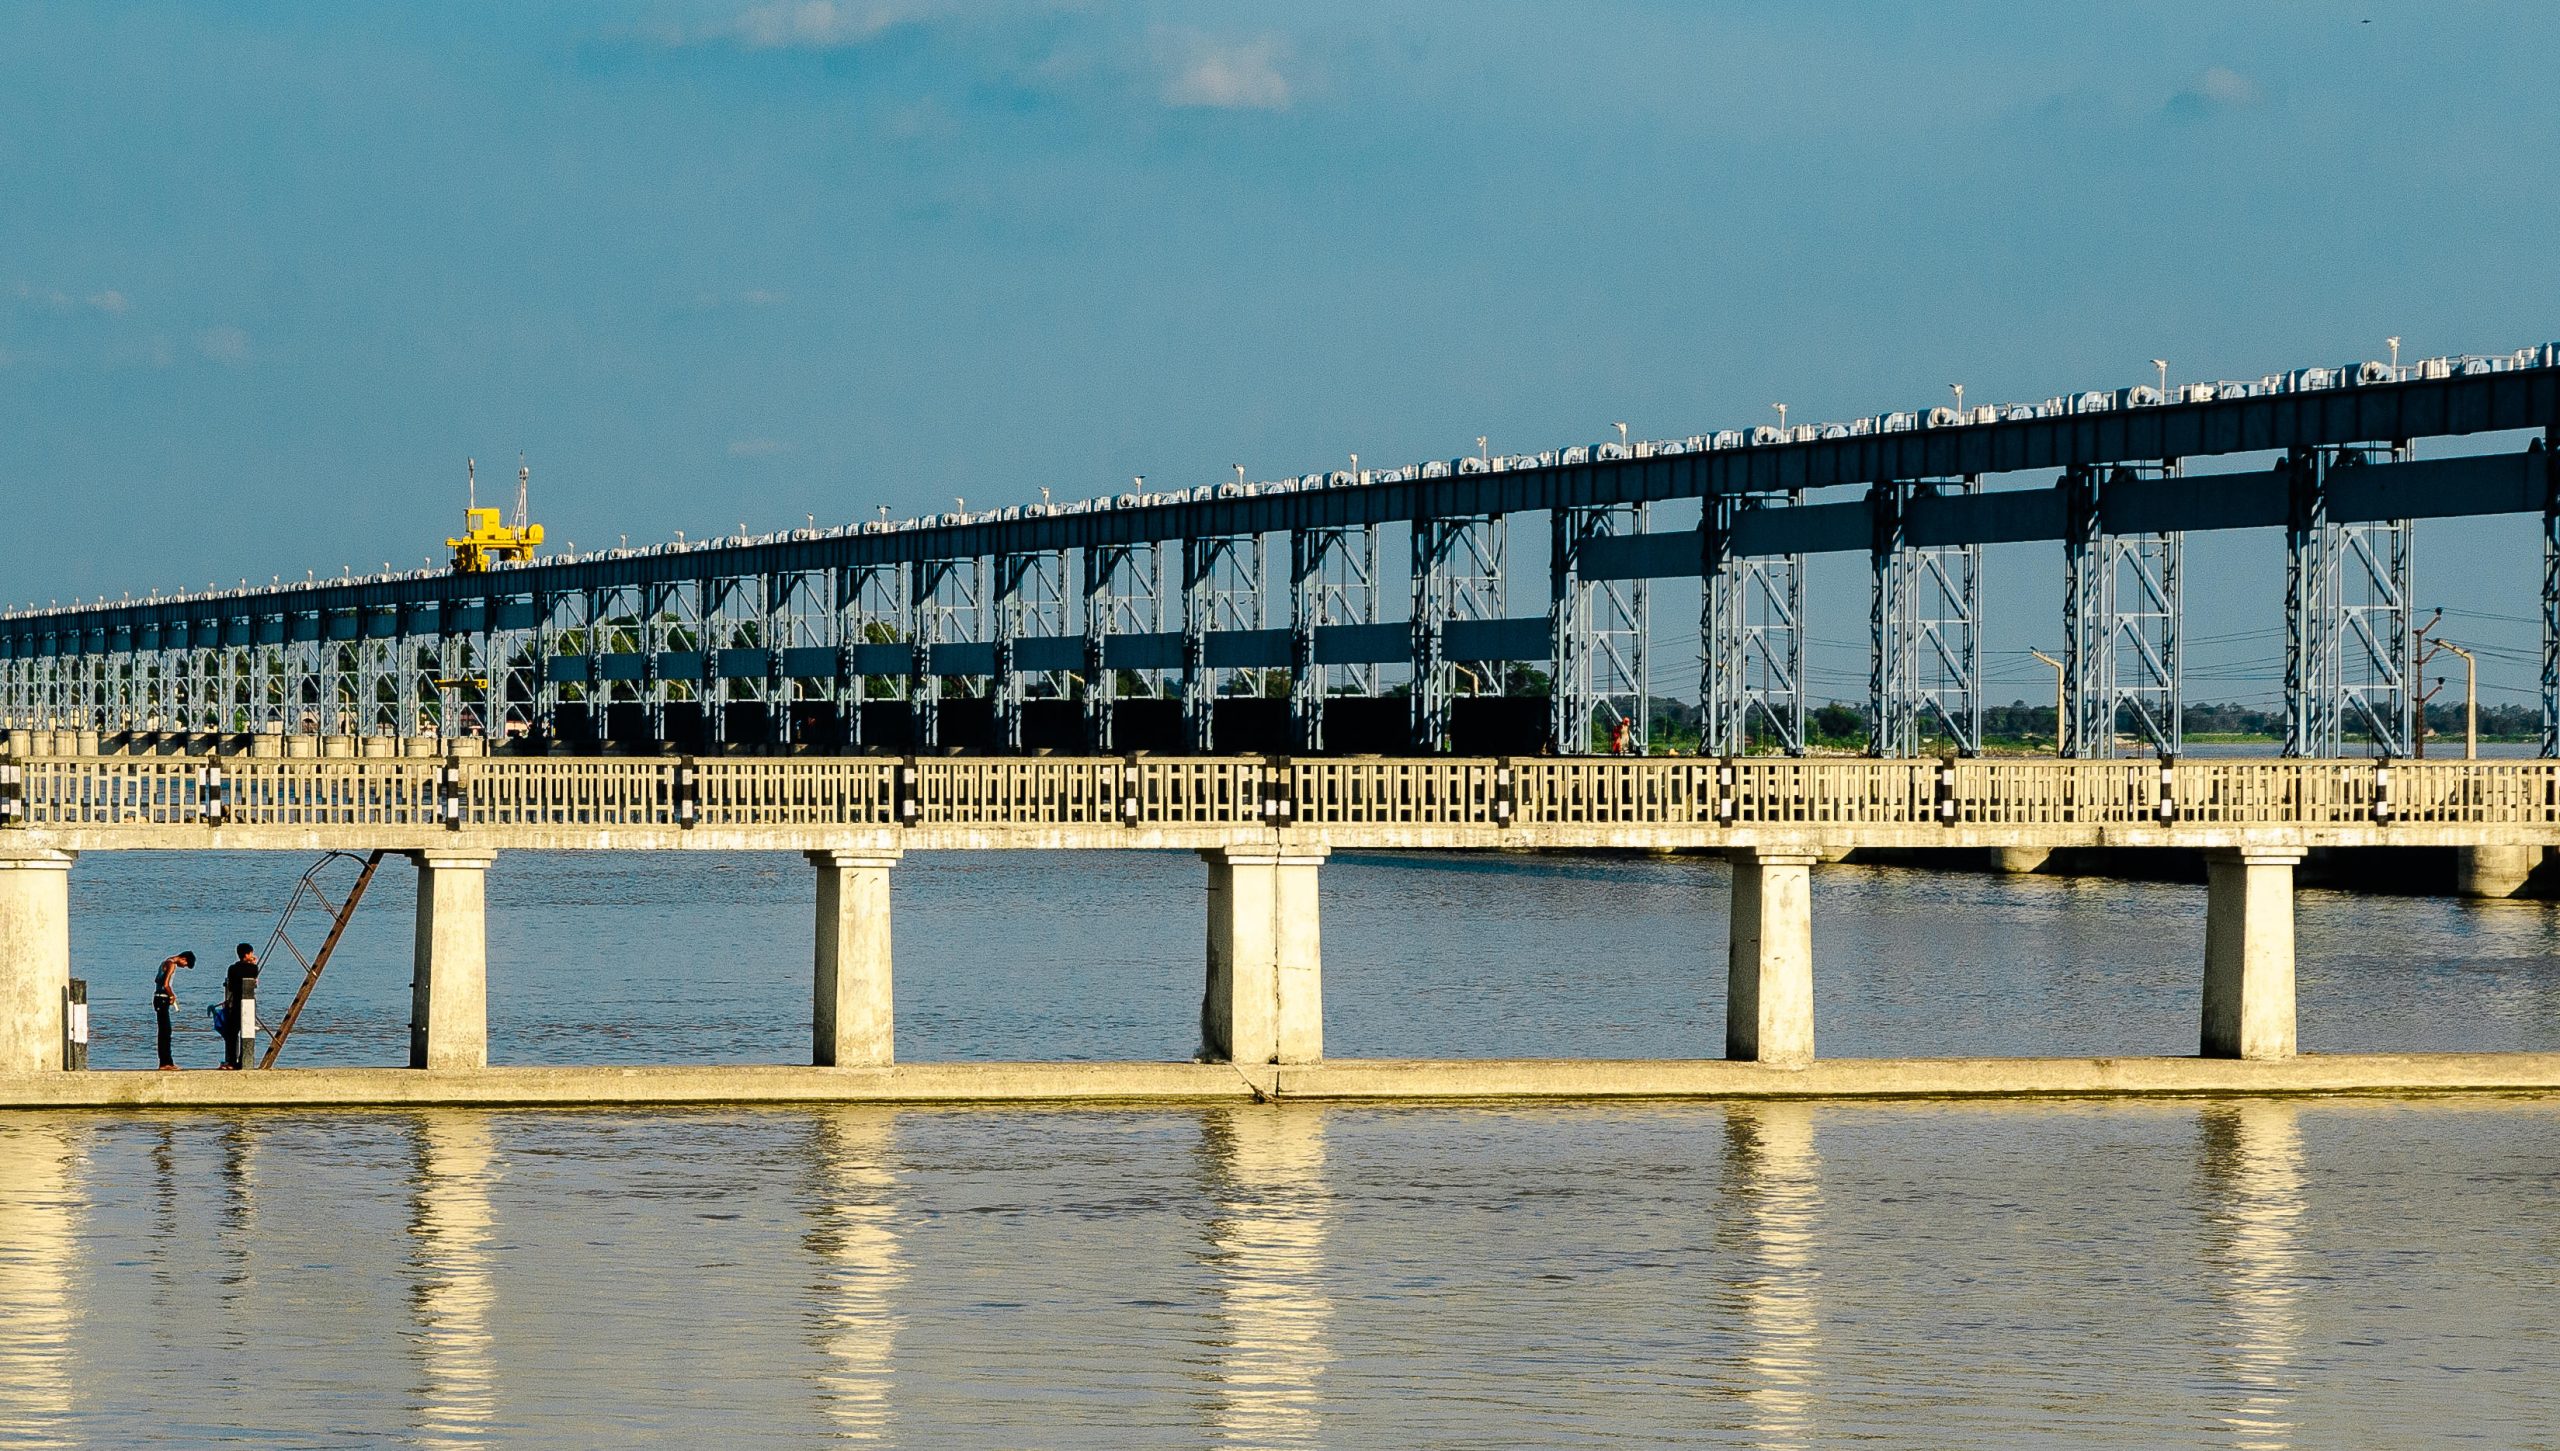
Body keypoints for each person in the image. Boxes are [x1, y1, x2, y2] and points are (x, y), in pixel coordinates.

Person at [151, 951, 195, 1070]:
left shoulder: (165, 962)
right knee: (166, 1032)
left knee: (163, 1031)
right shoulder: (171, 964)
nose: (184, 967)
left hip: (158, 998)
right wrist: (171, 995)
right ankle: (166, 1063)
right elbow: (166, 984)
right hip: (162, 998)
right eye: (185, 964)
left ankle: (165, 1062)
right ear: (183, 959)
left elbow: (157, 980)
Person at [220, 942, 260, 1070]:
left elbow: (231, 986)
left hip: (236, 1003)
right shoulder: (253, 968)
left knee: (232, 1033)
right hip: (249, 1004)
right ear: (248, 954)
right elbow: (254, 981)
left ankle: (232, 1061)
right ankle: (244, 1059)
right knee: (247, 1031)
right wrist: (253, 963)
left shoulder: (232, 968)